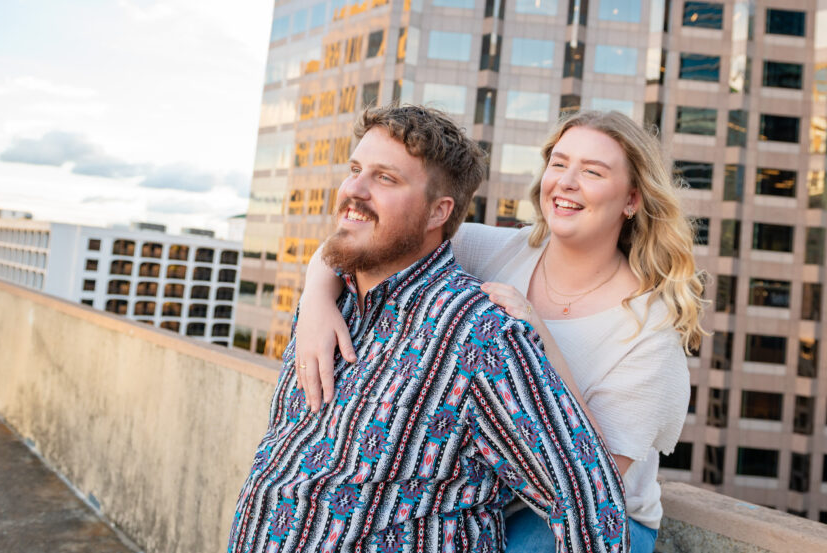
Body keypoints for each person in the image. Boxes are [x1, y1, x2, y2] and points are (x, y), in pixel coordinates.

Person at [295, 110, 707, 553]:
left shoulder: (650, 336)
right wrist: (315, 302)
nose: (566, 181)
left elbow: (591, 480)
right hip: (489, 496)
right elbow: (372, 237)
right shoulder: (494, 248)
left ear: (632, 199)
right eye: (559, 163)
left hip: (579, 521)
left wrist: (542, 340)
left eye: (592, 171)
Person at [227, 106, 630, 553]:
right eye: (355, 170)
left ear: (439, 211)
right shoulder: (328, 302)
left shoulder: (477, 333)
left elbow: (591, 503)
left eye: (385, 179)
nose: (354, 191)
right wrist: (315, 295)